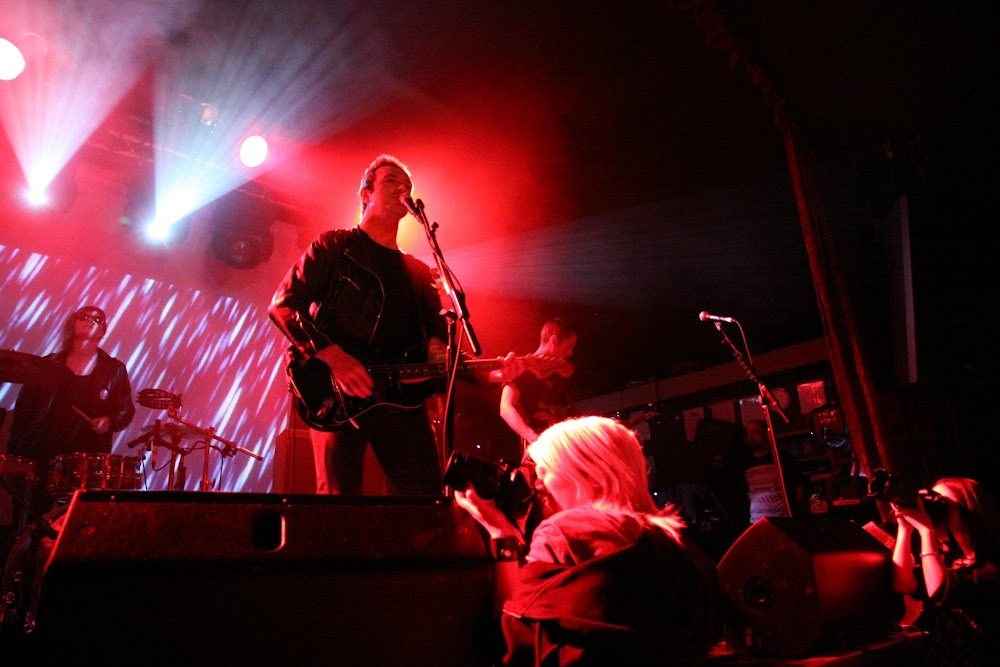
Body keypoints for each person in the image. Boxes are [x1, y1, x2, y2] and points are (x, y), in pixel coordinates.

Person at [454, 416, 723, 666]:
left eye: (545, 472)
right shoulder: (677, 545)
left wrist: (502, 534)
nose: (537, 485)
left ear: (589, 475)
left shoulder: (563, 532)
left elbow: (513, 642)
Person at [268, 154, 451, 496]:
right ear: (366, 194)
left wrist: (485, 370)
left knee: (426, 501)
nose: (402, 188)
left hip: (402, 400)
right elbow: (284, 305)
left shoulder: (419, 273)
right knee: (339, 502)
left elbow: (437, 344)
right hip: (338, 392)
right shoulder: (336, 247)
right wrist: (334, 356)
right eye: (391, 181)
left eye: (407, 185)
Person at [7, 305, 136, 517]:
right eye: (84, 317)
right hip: (42, 455)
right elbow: (24, 411)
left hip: (87, 460)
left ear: (103, 331)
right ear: (73, 324)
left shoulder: (114, 369)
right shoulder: (47, 364)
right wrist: (16, 453)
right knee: (33, 519)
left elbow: (125, 409)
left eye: (97, 319)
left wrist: (109, 421)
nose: (90, 320)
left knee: (78, 519)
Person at [890, 476, 1000, 667]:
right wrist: (904, 529)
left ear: (969, 511)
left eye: (944, 505)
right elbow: (904, 584)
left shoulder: (992, 565)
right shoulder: (953, 560)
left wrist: (926, 532)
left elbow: (940, 591)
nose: (936, 510)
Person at [496, 318, 578, 452]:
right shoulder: (520, 369)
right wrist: (533, 438)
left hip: (561, 447)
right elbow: (505, 408)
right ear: (554, 340)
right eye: (568, 346)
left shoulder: (559, 372)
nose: (570, 353)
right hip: (538, 450)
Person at [739, 418, 809, 526]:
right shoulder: (745, 463)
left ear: (766, 433)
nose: (750, 437)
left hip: (782, 521)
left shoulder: (782, 458)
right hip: (756, 522)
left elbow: (799, 488)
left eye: (755, 432)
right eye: (748, 433)